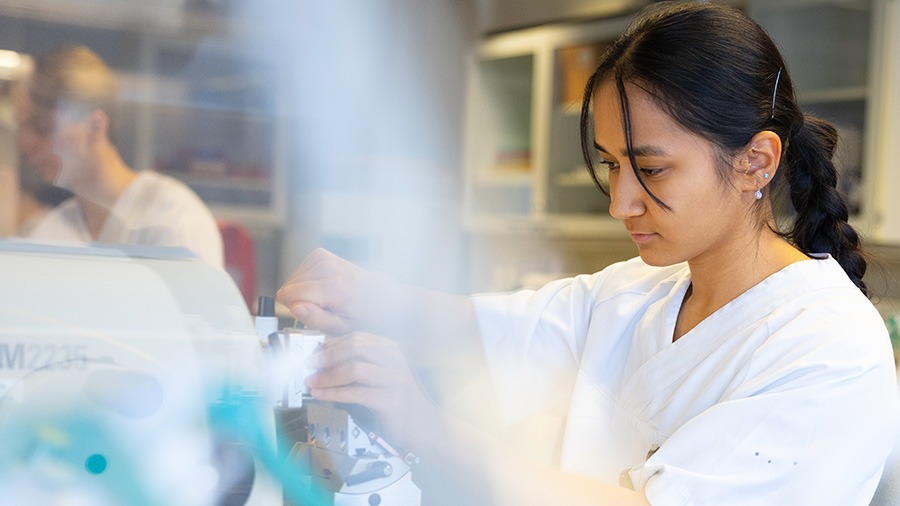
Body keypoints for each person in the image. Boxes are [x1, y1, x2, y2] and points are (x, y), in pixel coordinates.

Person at [276, 3, 898, 505]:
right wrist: (363, 293)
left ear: (755, 161)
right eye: (611, 164)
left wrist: (426, 427)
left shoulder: (829, 349)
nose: (621, 202)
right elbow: (491, 327)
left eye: (650, 167)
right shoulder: (643, 290)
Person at [14, 45, 223, 267]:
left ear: (94, 126)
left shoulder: (172, 217)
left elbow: (195, 301)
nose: (23, 145)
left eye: (42, 128)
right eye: (21, 129)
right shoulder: (50, 232)